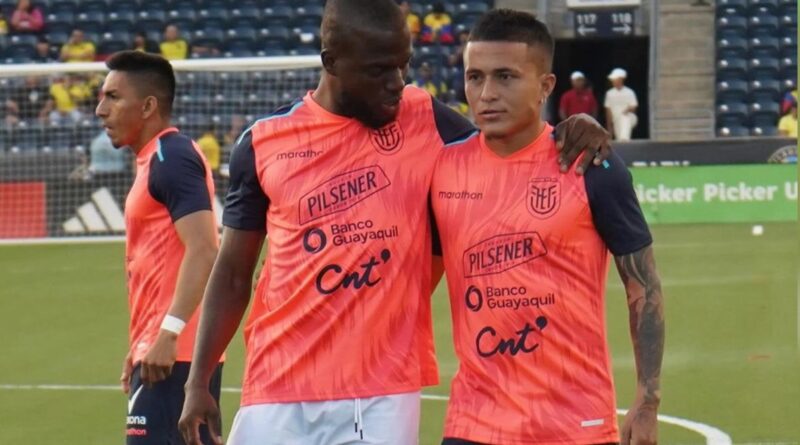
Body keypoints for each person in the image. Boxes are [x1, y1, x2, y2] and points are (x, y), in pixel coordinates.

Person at [178, 1, 611, 444]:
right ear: (332, 63)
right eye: (379, 70)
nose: (397, 84)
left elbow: (513, 138)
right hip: (275, 385)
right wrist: (198, 381)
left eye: (403, 67)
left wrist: (575, 125)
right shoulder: (263, 142)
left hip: (382, 391)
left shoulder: (426, 121)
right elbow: (233, 273)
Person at [430, 10, 664, 445]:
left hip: (575, 425)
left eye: (505, 77)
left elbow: (644, 288)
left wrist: (647, 401)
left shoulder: (592, 166)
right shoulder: (441, 167)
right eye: (474, 77)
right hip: (473, 423)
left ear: (545, 86)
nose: (486, 94)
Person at [94, 50, 222, 445]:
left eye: (113, 97)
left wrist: (168, 333)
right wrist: (141, 342)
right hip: (162, 353)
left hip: (176, 358)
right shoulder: (155, 160)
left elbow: (204, 247)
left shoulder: (172, 156)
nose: (101, 110)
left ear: (148, 105)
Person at [604, 67, 638, 141]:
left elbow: (633, 107)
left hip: (629, 118)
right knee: (619, 138)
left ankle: (624, 139)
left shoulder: (629, 92)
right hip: (616, 120)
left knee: (625, 118)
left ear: (621, 79)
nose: (613, 81)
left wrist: (627, 110)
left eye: (615, 79)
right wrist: (610, 128)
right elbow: (608, 111)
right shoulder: (609, 93)